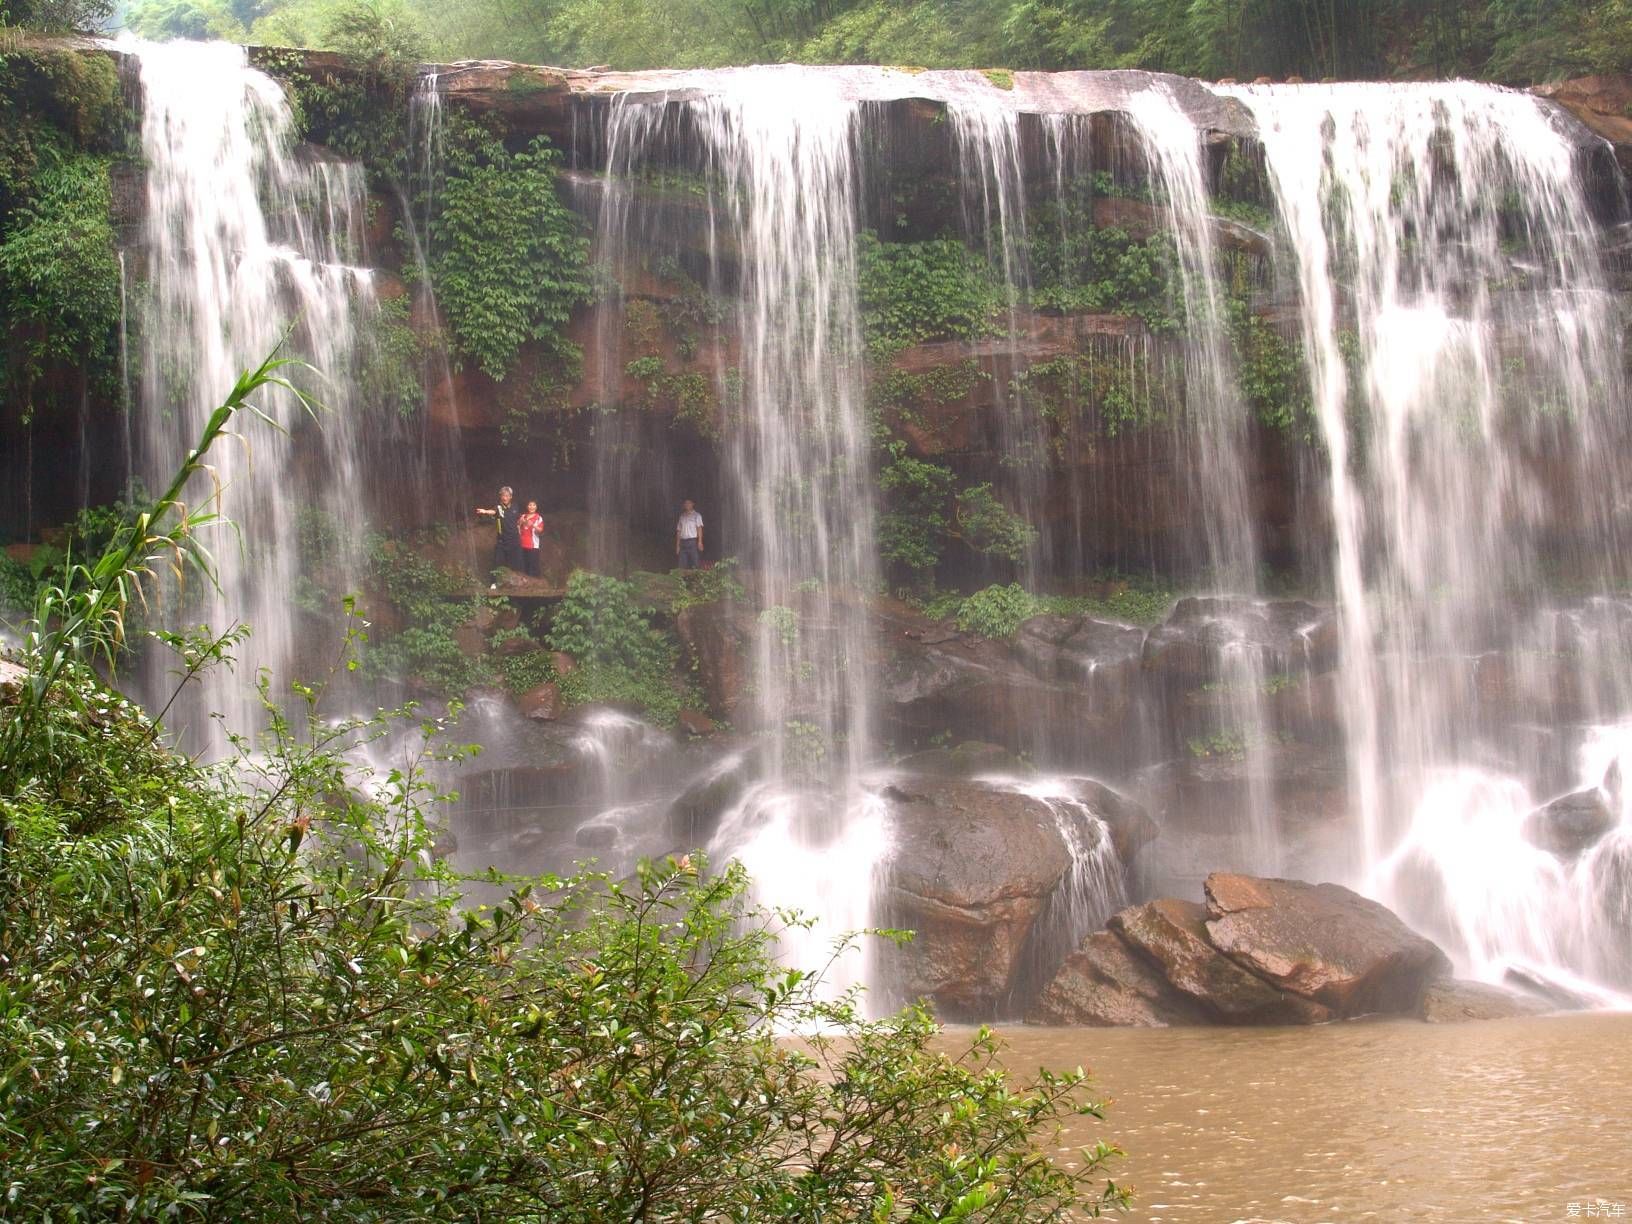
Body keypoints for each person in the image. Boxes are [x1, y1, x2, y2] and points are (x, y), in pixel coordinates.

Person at [476, 486, 522, 589]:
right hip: (502, 541)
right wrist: (485, 512)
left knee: (514, 563)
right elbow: (493, 512)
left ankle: (513, 584)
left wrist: (521, 523)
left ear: (510, 497)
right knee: (497, 562)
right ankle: (494, 583)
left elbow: (518, 519)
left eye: (506, 495)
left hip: (514, 540)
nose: (504, 497)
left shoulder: (515, 507)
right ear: (500, 497)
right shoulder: (498, 507)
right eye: (502, 495)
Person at [517, 500, 544, 579]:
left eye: (533, 505)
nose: (531, 507)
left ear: (536, 507)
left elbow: (540, 530)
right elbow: (517, 528)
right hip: (522, 544)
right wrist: (520, 522)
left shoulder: (538, 518)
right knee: (524, 565)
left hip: (533, 546)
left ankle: (535, 585)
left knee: (533, 566)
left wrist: (533, 525)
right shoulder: (523, 516)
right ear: (527, 506)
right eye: (530, 505)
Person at [675, 498, 704, 570]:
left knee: (695, 562)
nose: (687, 505)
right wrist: (677, 545)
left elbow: (699, 528)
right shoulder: (682, 516)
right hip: (683, 542)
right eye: (685, 503)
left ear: (692, 504)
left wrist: (700, 542)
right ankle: (681, 580)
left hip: (692, 542)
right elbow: (679, 531)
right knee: (682, 563)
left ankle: (697, 579)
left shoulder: (697, 515)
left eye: (689, 503)